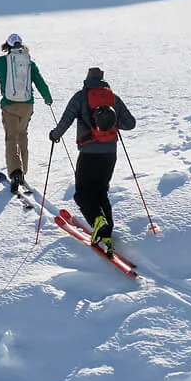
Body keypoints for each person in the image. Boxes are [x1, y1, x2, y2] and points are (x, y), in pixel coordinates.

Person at [49, 67, 136, 250]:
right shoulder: (113, 98)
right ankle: (106, 234)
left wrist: (55, 135)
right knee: (101, 192)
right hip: (110, 154)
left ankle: (98, 221)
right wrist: (111, 122)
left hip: (89, 153)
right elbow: (130, 124)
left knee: (82, 193)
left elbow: (66, 120)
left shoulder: (80, 97)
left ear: (86, 80)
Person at [0, 32, 52, 190]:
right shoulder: (29, 62)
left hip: (9, 105)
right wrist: (47, 97)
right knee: (22, 135)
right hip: (28, 106)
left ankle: (16, 172)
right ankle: (23, 170)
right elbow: (40, 81)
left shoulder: (1, 62)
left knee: (11, 138)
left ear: (7, 46)